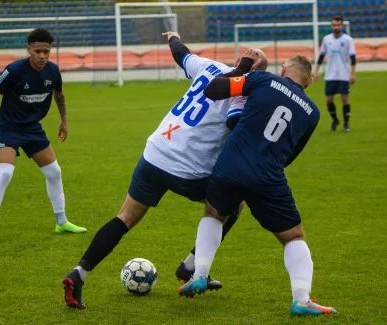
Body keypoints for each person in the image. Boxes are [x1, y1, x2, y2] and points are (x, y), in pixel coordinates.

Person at [61, 31, 267, 309]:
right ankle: (193, 266)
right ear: (256, 75)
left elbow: (182, 54)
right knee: (230, 206)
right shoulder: (242, 92)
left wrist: (173, 37)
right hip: (189, 168)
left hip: (155, 152)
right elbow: (235, 126)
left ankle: (79, 273)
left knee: (124, 218)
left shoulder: (209, 66)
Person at [178, 55, 338, 316]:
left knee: (214, 214)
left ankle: (199, 274)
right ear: (308, 82)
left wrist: (241, 70)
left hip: (231, 165)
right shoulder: (312, 112)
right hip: (268, 176)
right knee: (293, 236)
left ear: (284, 70)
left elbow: (215, 90)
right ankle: (301, 299)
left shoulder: (264, 79)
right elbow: (291, 155)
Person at [0, 28, 87, 243]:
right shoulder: (14, 70)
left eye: (46, 51)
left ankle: (61, 222)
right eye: (38, 51)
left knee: (54, 172)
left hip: (32, 129)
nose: (42, 56)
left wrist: (64, 120)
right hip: (9, 128)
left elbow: (59, 95)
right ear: (29, 49)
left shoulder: (53, 71)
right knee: (5, 174)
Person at [314, 15, 356, 132]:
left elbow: (353, 58)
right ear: (332, 26)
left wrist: (352, 74)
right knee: (329, 100)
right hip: (330, 75)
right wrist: (316, 71)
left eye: (338, 25)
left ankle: (346, 124)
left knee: (345, 99)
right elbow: (321, 56)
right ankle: (335, 120)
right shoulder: (326, 39)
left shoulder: (348, 40)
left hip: (343, 75)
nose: (336, 27)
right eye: (334, 25)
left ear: (342, 25)